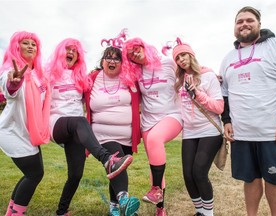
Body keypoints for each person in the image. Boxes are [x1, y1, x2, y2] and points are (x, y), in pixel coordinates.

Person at [46, 38, 134, 216]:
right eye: (67, 49)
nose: (71, 52)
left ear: (78, 56)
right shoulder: (48, 74)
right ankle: (107, 160)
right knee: (80, 121)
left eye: (74, 50)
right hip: (57, 122)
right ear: (59, 53)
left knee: (76, 174)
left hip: (77, 130)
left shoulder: (82, 77)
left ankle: (61, 212)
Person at [220, 6, 276, 216]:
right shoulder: (228, 58)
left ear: (259, 23)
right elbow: (225, 93)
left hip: (272, 132)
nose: (244, 24)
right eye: (239, 21)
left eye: (249, 20)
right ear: (234, 27)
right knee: (250, 179)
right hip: (242, 133)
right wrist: (227, 120)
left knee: (274, 180)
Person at [121, 37, 182, 216]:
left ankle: (155, 190)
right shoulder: (137, 72)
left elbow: (188, 70)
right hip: (148, 122)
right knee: (154, 166)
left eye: (136, 48)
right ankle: (160, 208)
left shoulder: (168, 62)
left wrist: (206, 71)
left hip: (172, 115)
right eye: (131, 54)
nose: (135, 54)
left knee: (156, 139)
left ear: (144, 46)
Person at [164, 38, 224, 216]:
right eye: (177, 58)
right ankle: (200, 211)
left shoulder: (208, 76)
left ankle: (209, 213)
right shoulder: (179, 81)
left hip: (209, 130)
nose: (181, 59)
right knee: (188, 176)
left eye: (183, 55)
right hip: (190, 132)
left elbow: (219, 107)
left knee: (199, 172)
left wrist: (197, 94)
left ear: (191, 55)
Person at [84, 33, 141, 216]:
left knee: (116, 170)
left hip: (127, 135)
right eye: (108, 57)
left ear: (122, 63)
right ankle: (124, 201)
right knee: (115, 161)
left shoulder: (129, 79)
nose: (112, 61)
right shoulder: (92, 79)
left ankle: (114, 207)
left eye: (117, 58)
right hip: (103, 135)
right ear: (102, 61)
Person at [0, 31, 50, 216]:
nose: (30, 46)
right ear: (16, 47)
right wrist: (14, 82)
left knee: (33, 174)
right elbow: (9, 88)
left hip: (30, 133)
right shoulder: (9, 71)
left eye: (34, 44)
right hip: (12, 132)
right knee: (34, 174)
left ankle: (11, 212)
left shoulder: (38, 75)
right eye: (25, 43)